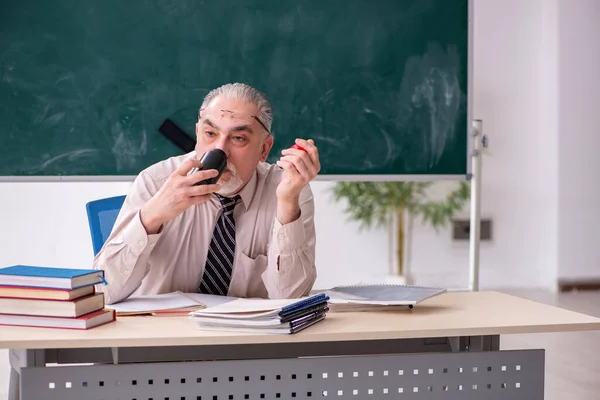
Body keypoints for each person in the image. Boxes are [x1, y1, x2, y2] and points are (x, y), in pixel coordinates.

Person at [93, 83, 320, 304]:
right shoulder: (155, 182)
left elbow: (292, 299)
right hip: (164, 334)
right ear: (197, 133)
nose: (220, 150)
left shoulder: (288, 190)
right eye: (210, 133)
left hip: (245, 337)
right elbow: (103, 291)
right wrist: (152, 216)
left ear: (264, 149)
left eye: (238, 138)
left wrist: (288, 203)